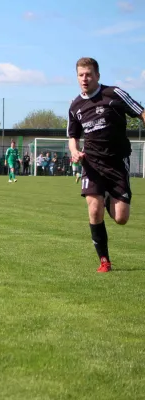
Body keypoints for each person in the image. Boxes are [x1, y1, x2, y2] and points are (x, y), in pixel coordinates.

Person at [67, 57, 145, 273]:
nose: (85, 78)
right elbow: (72, 136)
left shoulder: (114, 94)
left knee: (121, 218)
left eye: (88, 74)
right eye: (81, 75)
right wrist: (74, 152)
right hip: (91, 163)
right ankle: (104, 261)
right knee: (94, 209)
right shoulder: (75, 106)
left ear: (97, 76)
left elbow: (141, 112)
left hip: (117, 162)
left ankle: (110, 196)